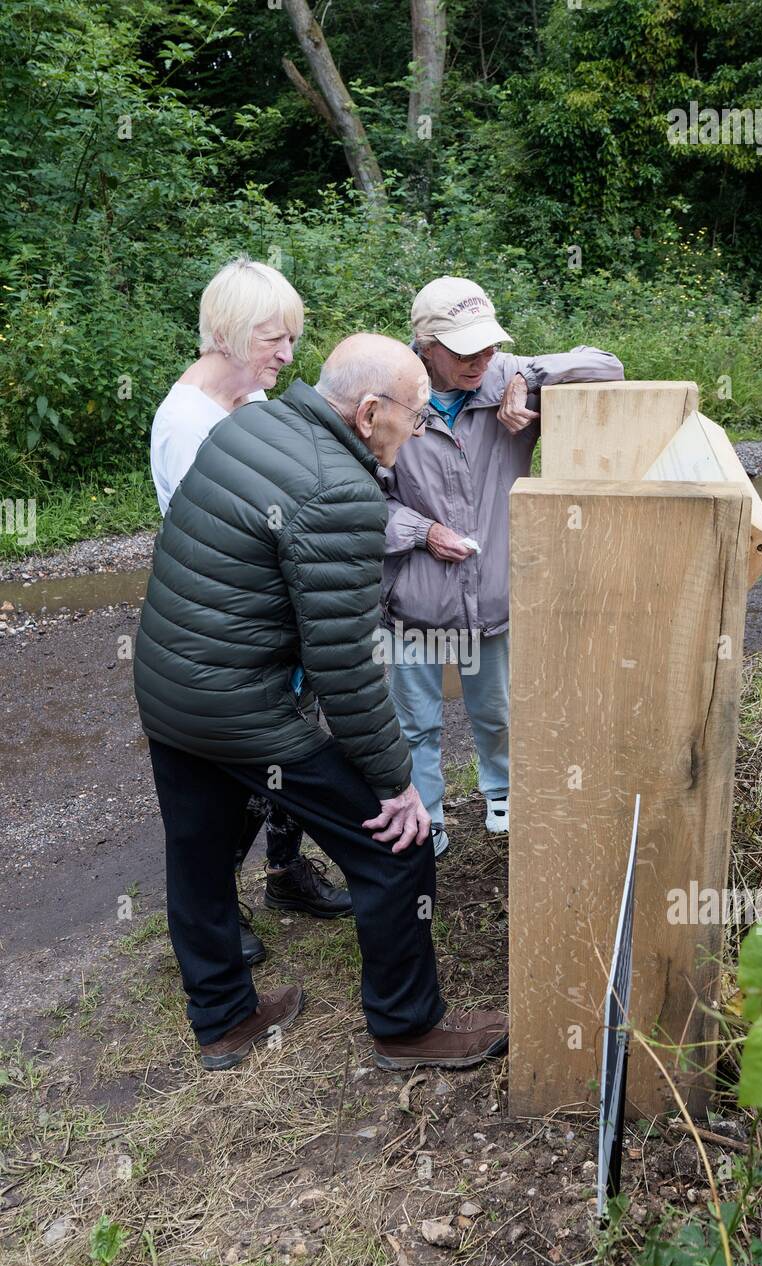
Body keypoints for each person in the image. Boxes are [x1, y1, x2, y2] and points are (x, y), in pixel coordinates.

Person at [134, 333, 509, 1073]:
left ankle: (224, 1019)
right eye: (416, 415)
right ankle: (408, 1027)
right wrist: (397, 784)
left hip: (167, 684)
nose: (423, 427)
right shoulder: (342, 491)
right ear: (370, 413)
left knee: (199, 854)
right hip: (238, 701)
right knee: (395, 847)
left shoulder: (252, 423)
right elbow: (344, 664)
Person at [149, 256, 351, 966]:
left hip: (282, 619)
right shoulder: (186, 423)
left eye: (293, 337)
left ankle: (286, 872)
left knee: (301, 739)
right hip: (230, 636)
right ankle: (219, 906)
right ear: (231, 333)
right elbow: (225, 543)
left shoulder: (254, 403)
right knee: (241, 776)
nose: (290, 355)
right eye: (275, 338)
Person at [381, 276, 625, 856]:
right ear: (426, 345)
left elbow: (607, 365)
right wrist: (422, 531)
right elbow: (361, 498)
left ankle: (502, 792)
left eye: (488, 346)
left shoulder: (504, 375)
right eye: (465, 351)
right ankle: (429, 816)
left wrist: (526, 377)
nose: (480, 360)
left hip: (491, 594)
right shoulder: (389, 397)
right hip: (413, 598)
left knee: (498, 711)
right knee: (415, 723)